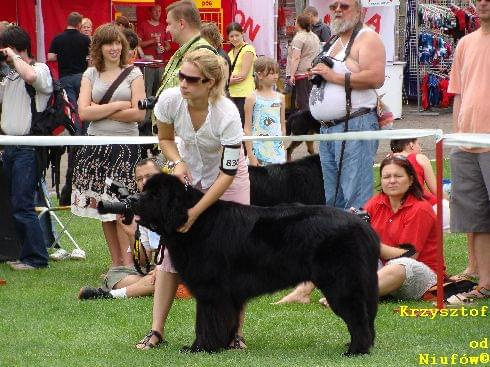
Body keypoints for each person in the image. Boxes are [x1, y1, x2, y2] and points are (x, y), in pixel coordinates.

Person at [136, 48, 250, 350]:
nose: (182, 83)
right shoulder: (171, 100)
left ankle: (234, 333)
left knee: (232, 253)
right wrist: (176, 163)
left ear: (210, 82)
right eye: (181, 76)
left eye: (191, 79)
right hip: (189, 169)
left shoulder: (227, 114)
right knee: (173, 252)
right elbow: (165, 139)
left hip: (229, 178)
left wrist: (196, 212)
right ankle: (156, 331)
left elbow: (226, 174)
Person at [71, 24, 145, 269]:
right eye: (108, 43)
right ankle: (116, 264)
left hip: (126, 147)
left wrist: (99, 110)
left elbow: (139, 115)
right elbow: (83, 112)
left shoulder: (134, 73)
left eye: (117, 43)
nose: (114, 48)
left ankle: (129, 264)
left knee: (122, 208)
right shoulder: (89, 74)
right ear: (98, 47)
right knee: (104, 208)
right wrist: (118, 105)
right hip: (97, 147)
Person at [309, 0, 385, 210]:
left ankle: (360, 241)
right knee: (334, 199)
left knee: (356, 199)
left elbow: (376, 77)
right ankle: (340, 242)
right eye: (333, 7)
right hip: (328, 128)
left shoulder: (367, 37)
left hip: (354, 124)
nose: (338, 11)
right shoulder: (334, 39)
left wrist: (333, 76)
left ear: (359, 10)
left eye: (344, 6)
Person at [447, 0, 490, 301]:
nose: (484, 2)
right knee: (476, 218)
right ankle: (485, 284)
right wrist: (456, 136)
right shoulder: (465, 43)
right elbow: (458, 94)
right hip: (466, 143)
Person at [0, 25, 52, 270]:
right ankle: (20, 252)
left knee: (23, 204)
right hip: (9, 146)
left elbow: (31, 78)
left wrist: (14, 57)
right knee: (12, 204)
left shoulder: (39, 69)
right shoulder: (8, 75)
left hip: (28, 148)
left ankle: (36, 258)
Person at [77, 158, 163, 300]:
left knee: (160, 277)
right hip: (166, 269)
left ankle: (109, 295)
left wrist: (163, 270)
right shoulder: (144, 209)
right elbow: (144, 262)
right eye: (139, 179)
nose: (144, 183)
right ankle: (146, 286)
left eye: (150, 177)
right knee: (118, 277)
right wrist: (131, 234)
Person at [365, 155, 441, 300]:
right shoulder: (376, 203)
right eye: (386, 177)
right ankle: (306, 292)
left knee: (401, 265)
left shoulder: (420, 209)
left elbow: (409, 256)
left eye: (398, 176)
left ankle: (349, 296)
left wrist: (372, 245)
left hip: (419, 273)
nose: (392, 181)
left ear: (411, 180)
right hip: (384, 270)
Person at [390, 138, 450, 230]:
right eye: (419, 144)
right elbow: (436, 190)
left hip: (395, 209)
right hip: (422, 205)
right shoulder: (420, 158)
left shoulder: (387, 160)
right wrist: (449, 202)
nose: (420, 149)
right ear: (411, 145)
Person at [244, 57, 286, 166]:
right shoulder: (251, 99)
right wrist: (250, 155)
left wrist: (283, 148)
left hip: (277, 152)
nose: (275, 76)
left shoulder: (281, 98)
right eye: (271, 73)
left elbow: (282, 125)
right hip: (258, 151)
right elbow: (247, 128)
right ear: (260, 75)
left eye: (277, 73)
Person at [47, 12, 90, 110]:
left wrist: (63, 56)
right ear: (79, 24)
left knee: (72, 107)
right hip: (81, 76)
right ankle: (86, 125)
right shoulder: (85, 39)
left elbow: (50, 57)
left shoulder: (58, 38)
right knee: (85, 105)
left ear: (68, 22)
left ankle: (75, 125)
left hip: (65, 77)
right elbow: (92, 56)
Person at [286, 13, 320, 112]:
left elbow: (296, 58)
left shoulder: (299, 38)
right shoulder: (314, 36)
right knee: (311, 100)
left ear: (298, 23)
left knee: (303, 101)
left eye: (295, 21)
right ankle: (312, 122)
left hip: (301, 72)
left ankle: (306, 124)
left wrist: (291, 75)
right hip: (312, 71)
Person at [226, 22, 256, 126]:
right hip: (231, 94)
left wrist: (227, 81)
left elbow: (242, 75)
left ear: (242, 34)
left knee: (244, 127)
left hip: (245, 94)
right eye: (231, 36)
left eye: (237, 35)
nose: (234, 38)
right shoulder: (230, 52)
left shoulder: (248, 49)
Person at [200, 22, 231, 91]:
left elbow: (221, 83)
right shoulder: (212, 52)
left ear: (211, 37)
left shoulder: (220, 56)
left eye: (202, 37)